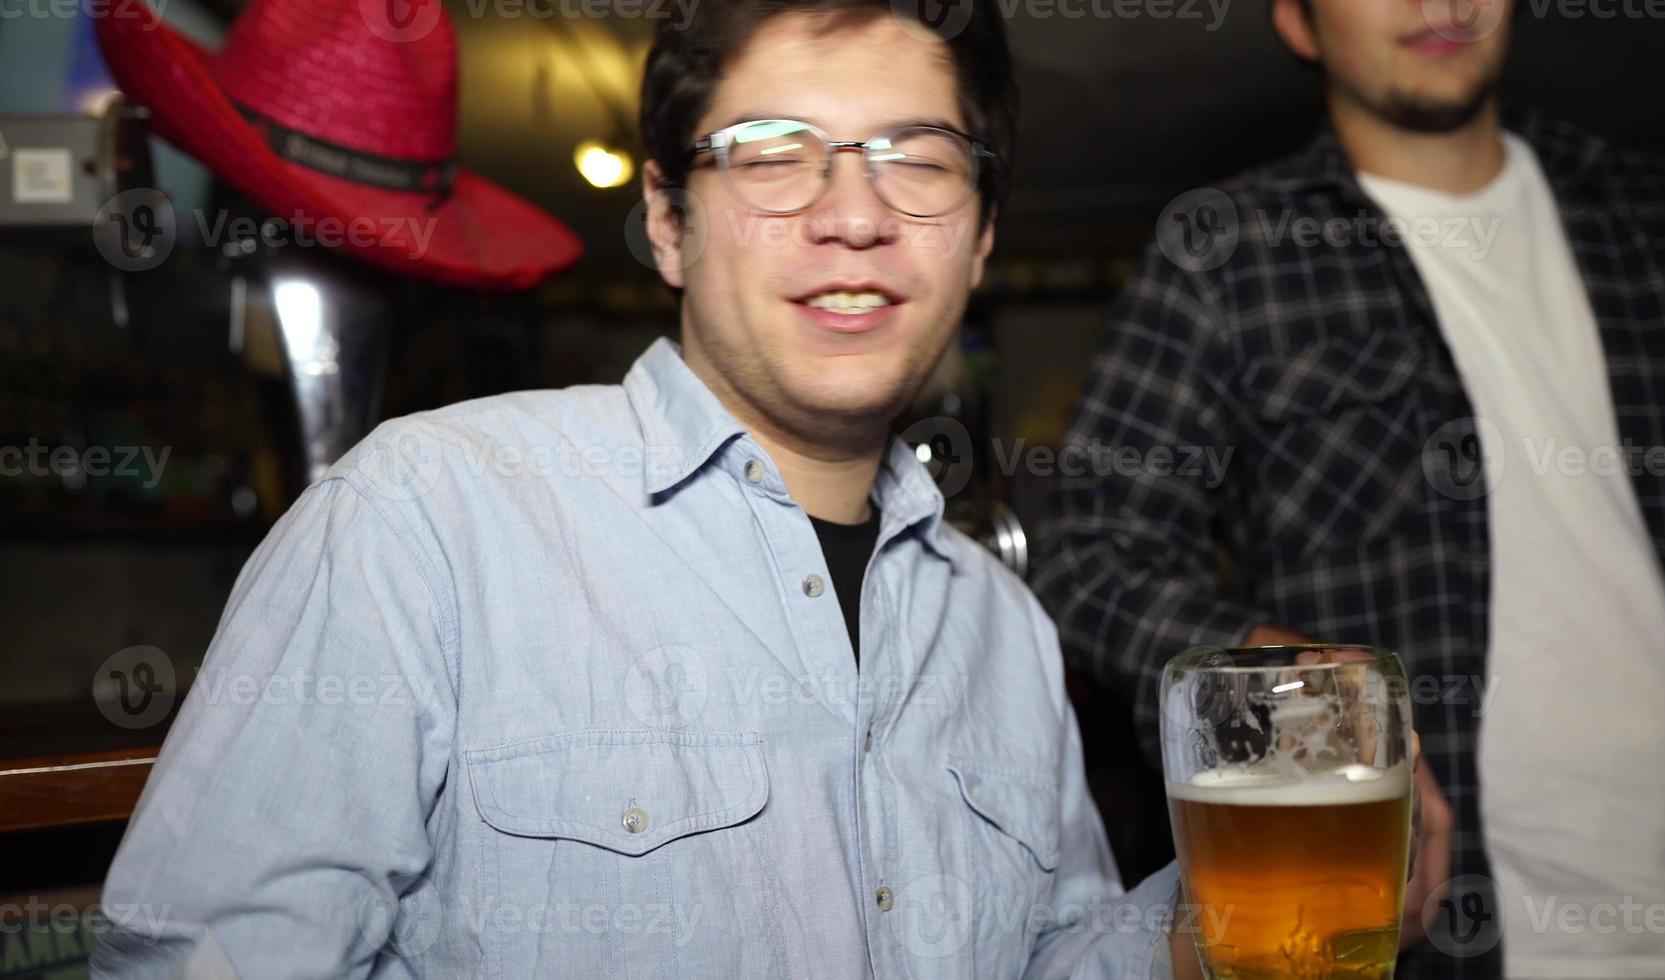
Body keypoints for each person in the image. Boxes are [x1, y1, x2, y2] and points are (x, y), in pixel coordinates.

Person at [91, 2, 1218, 976]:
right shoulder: (428, 516)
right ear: (669, 222)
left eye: (917, 157)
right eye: (774, 152)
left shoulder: (1004, 627)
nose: (853, 213)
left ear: (976, 240)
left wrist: (1236, 900)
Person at [1036, 0, 1665, 977]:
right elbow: (1087, 550)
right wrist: (1297, 693)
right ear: (1296, 20)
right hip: (1443, 937)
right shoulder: (1226, 255)